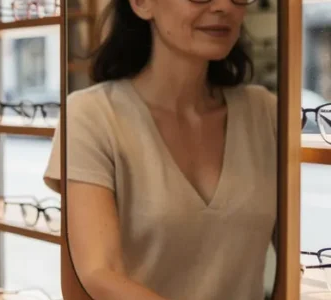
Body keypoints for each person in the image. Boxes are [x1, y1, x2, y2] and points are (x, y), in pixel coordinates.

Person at [44, 0, 277, 298]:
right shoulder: (92, 115)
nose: (224, 6)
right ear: (142, 3)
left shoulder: (265, 112)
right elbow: (100, 272)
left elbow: (290, 256)